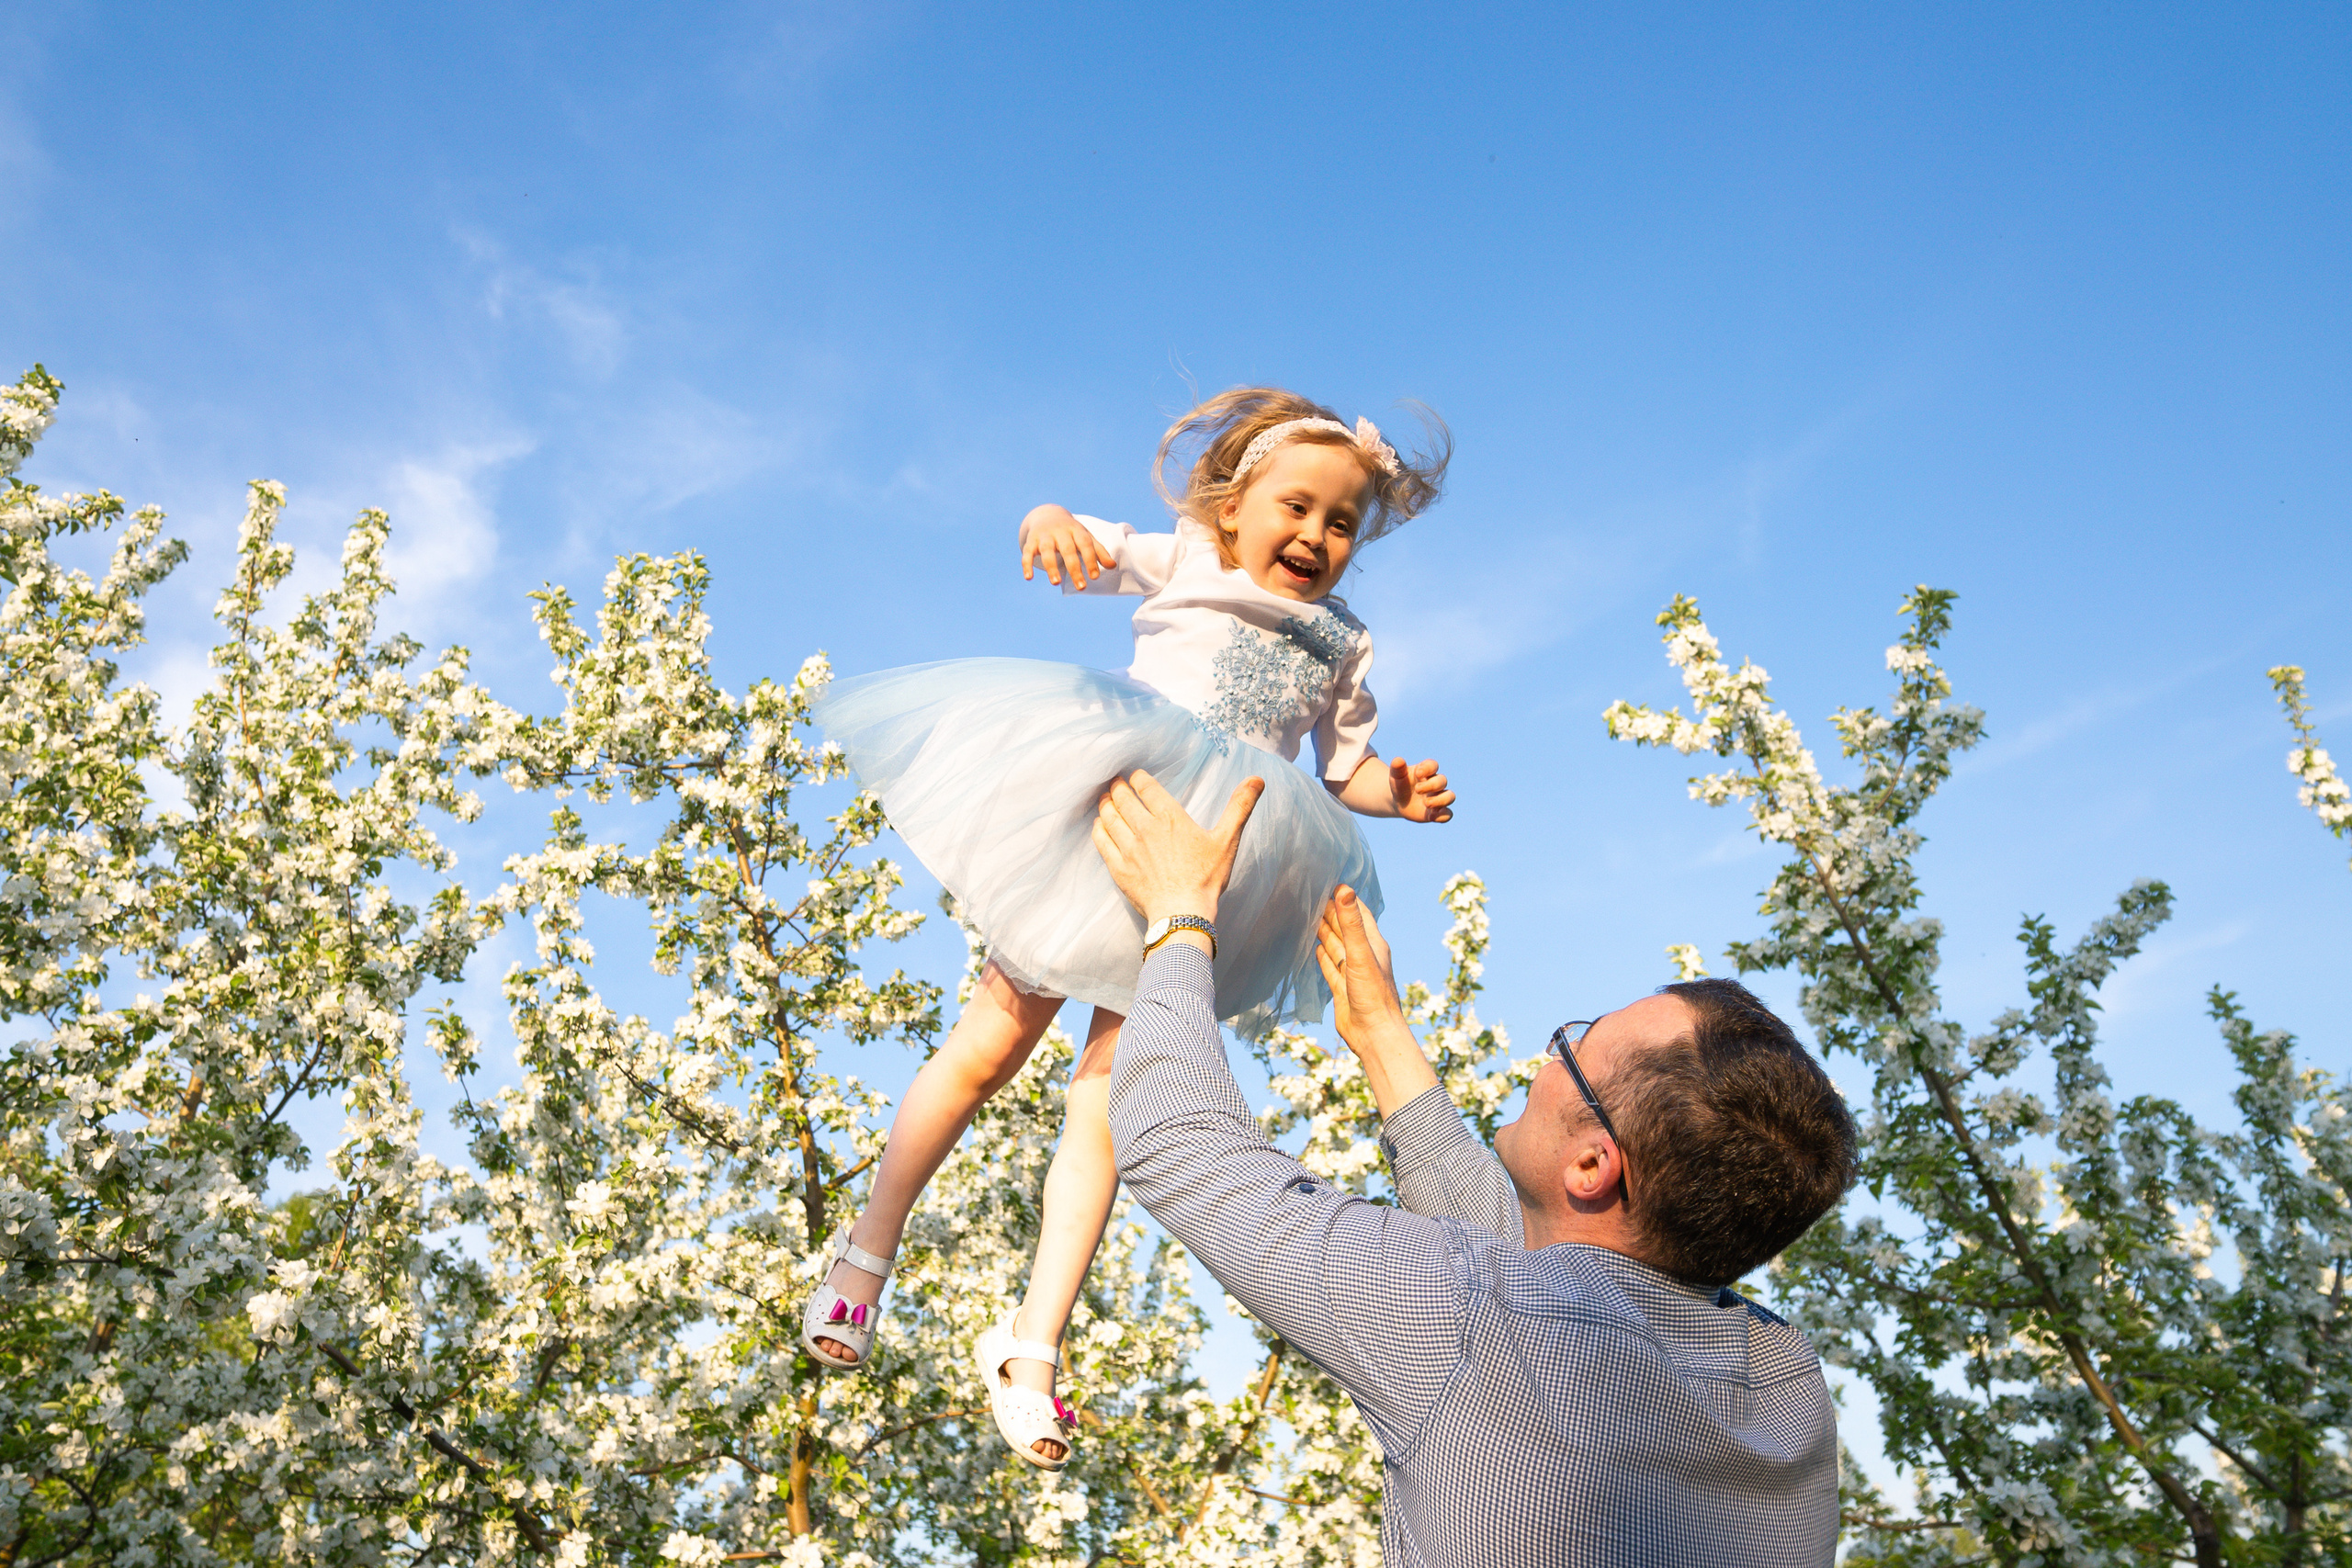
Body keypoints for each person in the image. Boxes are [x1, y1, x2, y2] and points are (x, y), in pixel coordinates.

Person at [801, 388, 1457, 1470]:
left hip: (1214, 874)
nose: (1315, 537)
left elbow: (1343, 771)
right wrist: (1047, 519)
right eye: (1297, 508)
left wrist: (1400, 791)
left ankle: (1033, 1345)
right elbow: (1085, 540)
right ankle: (865, 1254)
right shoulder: (1191, 558)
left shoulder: (1345, 639)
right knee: (988, 1046)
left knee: (1108, 1103)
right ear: (1232, 504)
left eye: (1342, 524)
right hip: (1117, 816)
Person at [1091, 768, 1860, 1567]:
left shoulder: (1474, 1318)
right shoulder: (1790, 1388)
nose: (1545, 1057)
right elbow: (1555, 1284)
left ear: (1594, 1162)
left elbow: (1177, 1137)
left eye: (1573, 1043)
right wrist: (1383, 1033)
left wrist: (1180, 915)